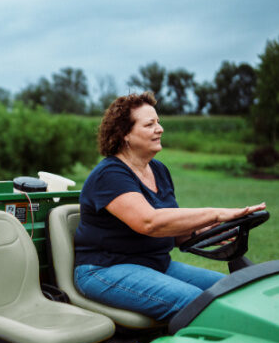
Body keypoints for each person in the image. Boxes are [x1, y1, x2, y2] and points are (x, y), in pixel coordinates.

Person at [73, 92, 266, 321]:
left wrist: (216, 229)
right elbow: (149, 222)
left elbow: (176, 234)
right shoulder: (110, 174)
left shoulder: (159, 171)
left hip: (155, 265)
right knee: (198, 303)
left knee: (232, 291)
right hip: (105, 270)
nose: (160, 128)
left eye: (158, 122)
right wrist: (215, 214)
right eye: (150, 124)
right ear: (125, 134)